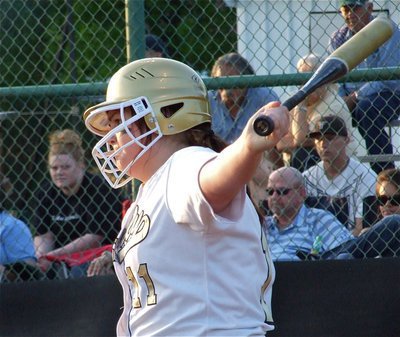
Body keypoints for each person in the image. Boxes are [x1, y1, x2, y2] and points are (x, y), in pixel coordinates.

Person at [83, 57, 290, 336]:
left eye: (116, 123)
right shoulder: (148, 193)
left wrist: (248, 147)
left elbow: (215, 179)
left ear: (155, 119)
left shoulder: (185, 164)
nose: (111, 138)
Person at [33, 129, 123, 278]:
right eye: (54, 168)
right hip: (59, 259)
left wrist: (53, 255)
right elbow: (44, 236)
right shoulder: (45, 193)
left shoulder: (99, 188)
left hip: (96, 256)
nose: (59, 172)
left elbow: (94, 238)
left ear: (81, 164)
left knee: (79, 271)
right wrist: (42, 256)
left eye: (65, 167)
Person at [328, 0, 400, 174]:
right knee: (326, 115)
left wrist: (354, 97)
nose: (350, 14)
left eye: (355, 7)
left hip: (389, 93)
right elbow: (336, 78)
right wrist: (339, 100)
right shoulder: (338, 38)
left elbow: (388, 77)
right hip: (352, 97)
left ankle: (385, 176)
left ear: (369, 7)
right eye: (346, 9)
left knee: (366, 109)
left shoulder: (386, 30)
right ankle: (333, 173)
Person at [279, 53, 367, 171]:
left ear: (325, 80)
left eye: (313, 79)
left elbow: (302, 140)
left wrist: (301, 104)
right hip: (301, 161)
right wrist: (299, 141)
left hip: (336, 165)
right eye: (303, 80)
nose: (308, 85)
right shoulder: (291, 98)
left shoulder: (334, 103)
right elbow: (280, 143)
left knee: (301, 153)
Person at [303, 115, 377, 236]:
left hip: (351, 246)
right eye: (318, 139)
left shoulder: (365, 176)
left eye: (330, 138)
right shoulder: (307, 177)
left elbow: (362, 228)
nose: (323, 144)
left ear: (346, 140)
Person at [263, 167, 354, 261]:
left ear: (301, 193)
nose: (274, 197)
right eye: (270, 191)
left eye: (282, 191)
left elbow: (347, 249)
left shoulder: (319, 219)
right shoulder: (262, 225)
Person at [208, 52, 279, 144]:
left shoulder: (264, 97)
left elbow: (276, 142)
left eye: (232, 81)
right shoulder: (207, 101)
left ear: (246, 79)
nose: (227, 89)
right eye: (221, 80)